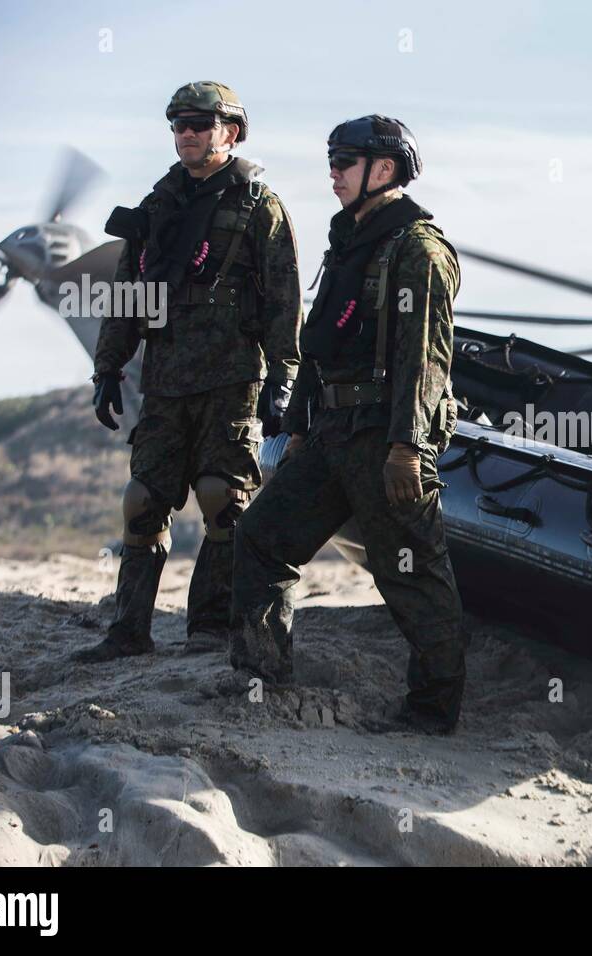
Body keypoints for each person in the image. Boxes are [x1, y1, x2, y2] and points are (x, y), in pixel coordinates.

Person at [231, 115, 466, 734]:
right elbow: (318, 345)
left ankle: (434, 711)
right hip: (333, 432)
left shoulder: (418, 249)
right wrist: (302, 426)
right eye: (331, 160)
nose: (331, 172)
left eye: (344, 161)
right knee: (260, 537)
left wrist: (407, 447)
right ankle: (262, 677)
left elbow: (425, 359)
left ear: (382, 170)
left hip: (385, 437)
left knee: (413, 572)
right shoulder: (347, 245)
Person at [75, 81, 301, 662]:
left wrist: (284, 379)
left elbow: (283, 299)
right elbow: (126, 296)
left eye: (200, 123)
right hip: (167, 381)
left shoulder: (258, 204)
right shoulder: (156, 207)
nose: (187, 133)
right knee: (141, 501)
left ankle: (207, 628)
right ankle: (128, 631)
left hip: (233, 381)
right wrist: (107, 370)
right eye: (178, 124)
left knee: (221, 497)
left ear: (229, 132)